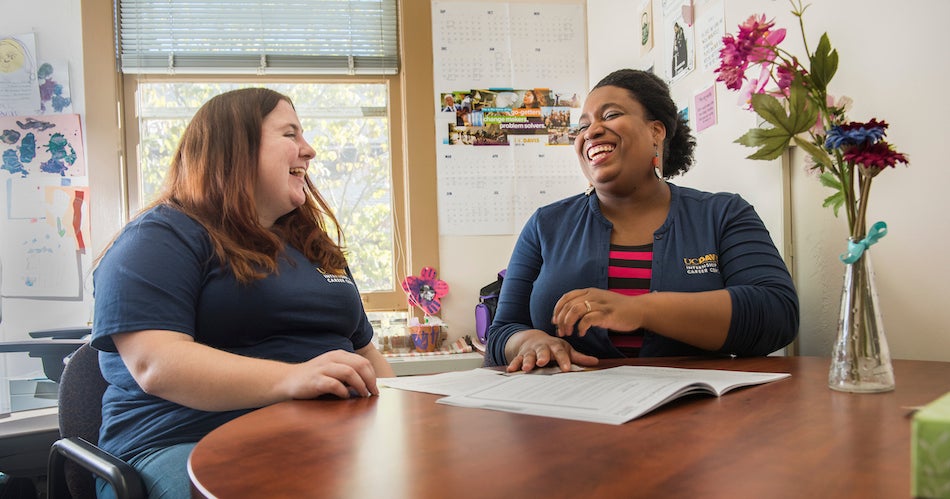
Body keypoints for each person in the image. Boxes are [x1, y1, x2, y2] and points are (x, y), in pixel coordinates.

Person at [90, 88, 394, 498]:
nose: (309, 151)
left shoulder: (312, 245)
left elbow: (365, 354)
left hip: (325, 436)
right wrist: (292, 378)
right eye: (290, 135)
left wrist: (399, 413)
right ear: (235, 148)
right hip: (182, 443)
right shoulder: (160, 237)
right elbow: (155, 363)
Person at [485, 69, 798, 373]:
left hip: (700, 414)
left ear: (655, 133)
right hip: (572, 414)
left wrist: (637, 310)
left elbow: (777, 314)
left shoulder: (723, 214)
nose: (591, 131)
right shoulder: (545, 225)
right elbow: (502, 333)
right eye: (583, 126)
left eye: (609, 116)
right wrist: (531, 342)